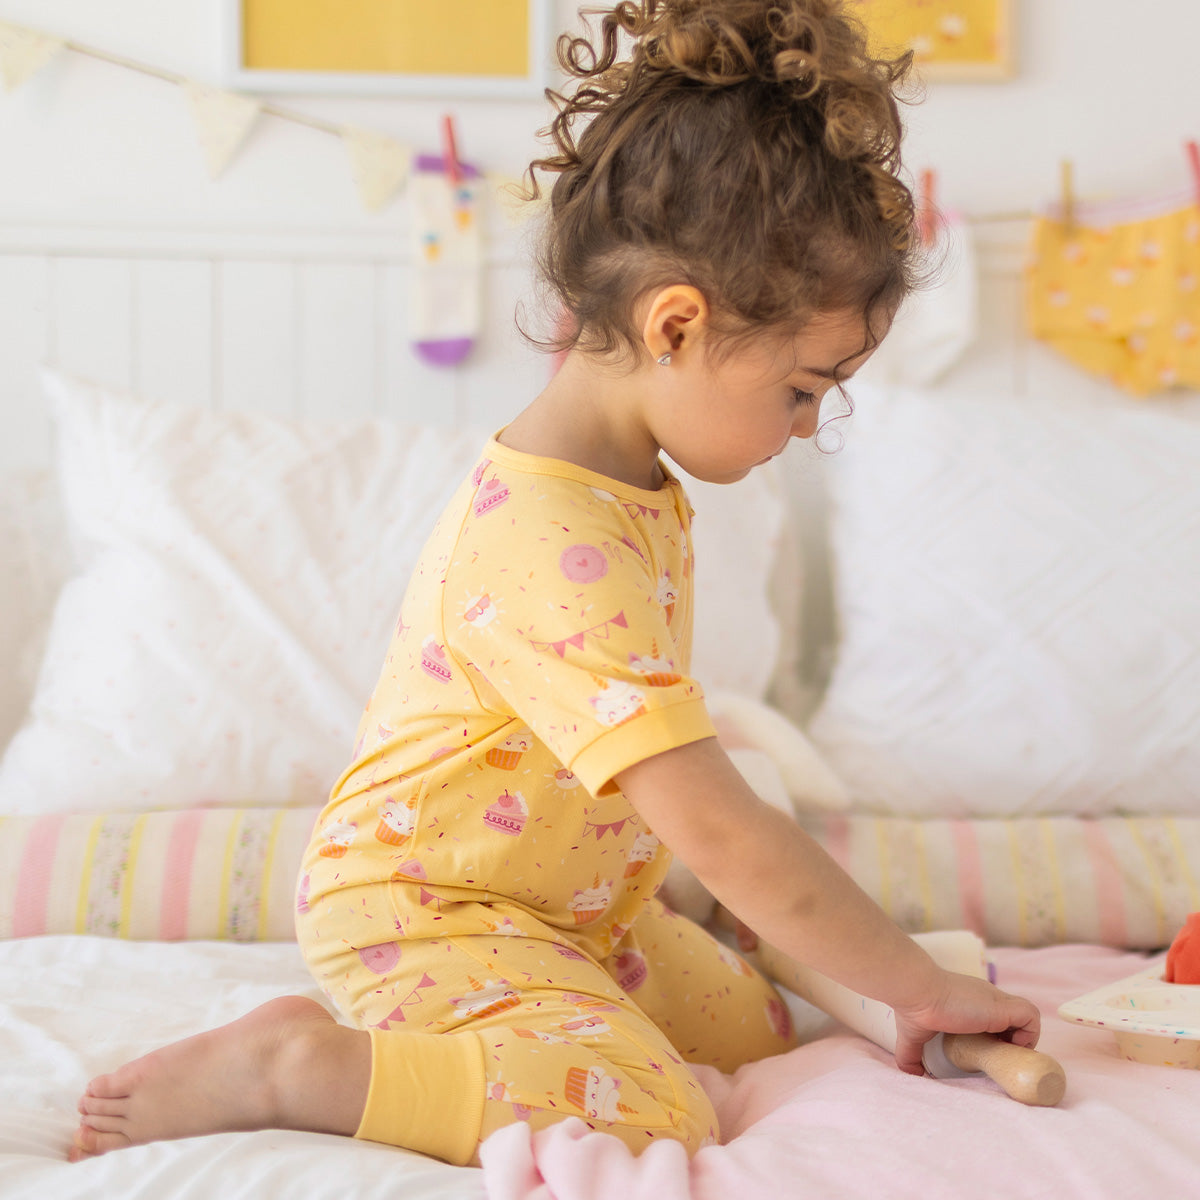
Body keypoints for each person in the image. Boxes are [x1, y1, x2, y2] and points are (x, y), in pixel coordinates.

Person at [69, 0, 1040, 1167]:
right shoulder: (549, 541)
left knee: (759, 1031)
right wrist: (912, 982)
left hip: (569, 910)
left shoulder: (630, 482)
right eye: (803, 388)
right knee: (653, 1110)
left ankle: (491, 1025)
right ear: (675, 326)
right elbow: (719, 831)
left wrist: (877, 974)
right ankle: (299, 1065)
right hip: (430, 911)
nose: (808, 426)